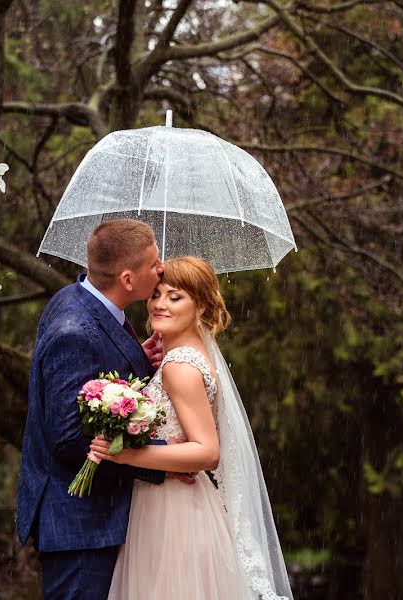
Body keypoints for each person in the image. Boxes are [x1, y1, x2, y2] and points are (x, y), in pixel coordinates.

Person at [90, 256, 294, 599]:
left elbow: (206, 451)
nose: (159, 304)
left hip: (171, 513)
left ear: (200, 306)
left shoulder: (179, 366)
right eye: (156, 294)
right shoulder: (189, 356)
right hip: (178, 502)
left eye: (175, 296)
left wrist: (125, 454)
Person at [16, 219, 192, 600]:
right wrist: (163, 459)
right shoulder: (75, 331)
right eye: (153, 263)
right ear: (128, 280)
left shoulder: (75, 296)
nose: (161, 269)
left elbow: (91, 378)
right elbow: (69, 439)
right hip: (79, 522)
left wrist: (136, 361)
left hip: (88, 517)